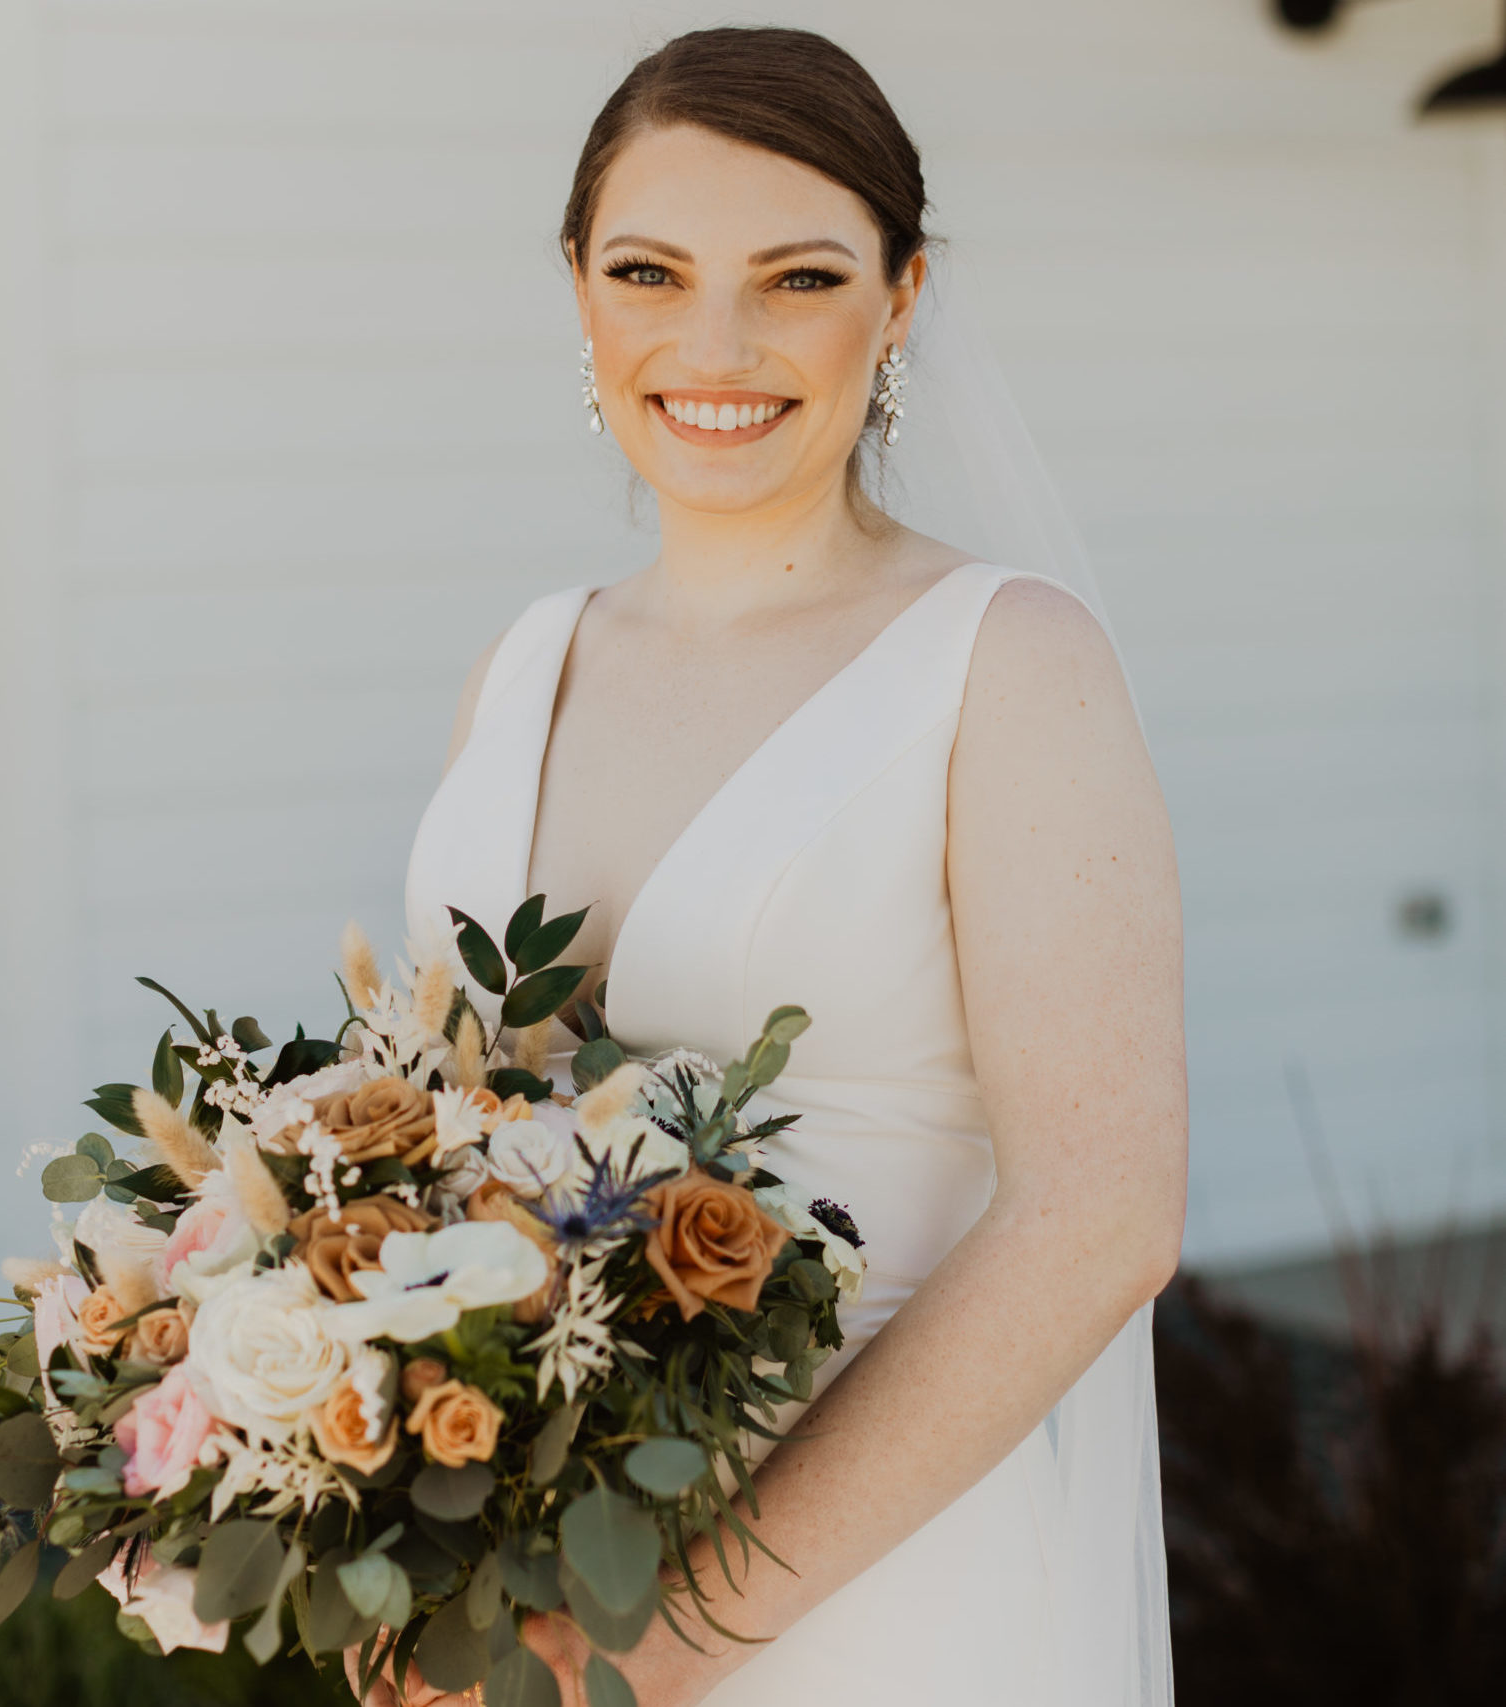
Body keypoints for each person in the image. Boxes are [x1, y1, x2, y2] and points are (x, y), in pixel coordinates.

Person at [392, 24, 1186, 1706]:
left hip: (873, 1593)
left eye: (801, 277)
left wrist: (667, 1635)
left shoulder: (1007, 665)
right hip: (524, 1609)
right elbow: (443, 1139)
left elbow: (1100, 1214)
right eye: (650, 270)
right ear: (580, 289)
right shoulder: (525, 663)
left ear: (902, 302)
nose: (716, 343)